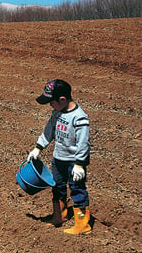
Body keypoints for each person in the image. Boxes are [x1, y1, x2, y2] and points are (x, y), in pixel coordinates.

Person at [26, 79, 92, 235]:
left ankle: (83, 225)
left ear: (62, 99)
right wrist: (38, 148)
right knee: (57, 188)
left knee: (77, 190)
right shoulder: (57, 112)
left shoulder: (79, 118)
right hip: (58, 160)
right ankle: (59, 216)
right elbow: (49, 130)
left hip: (73, 163)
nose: (50, 105)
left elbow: (84, 143)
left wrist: (80, 164)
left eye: (52, 102)